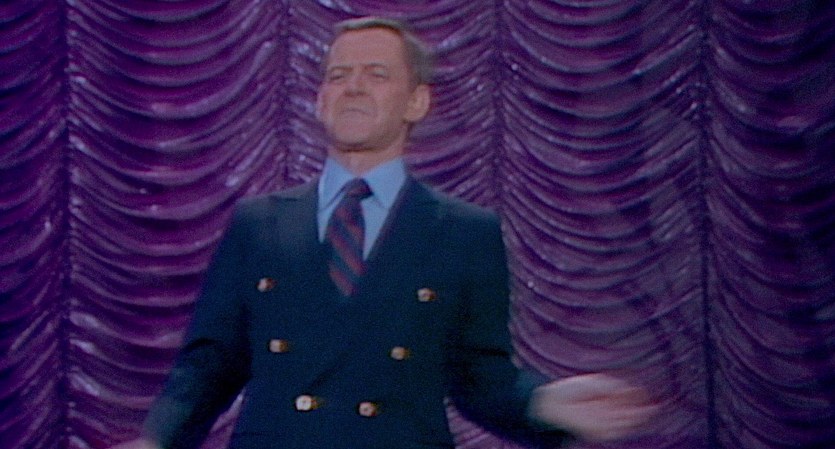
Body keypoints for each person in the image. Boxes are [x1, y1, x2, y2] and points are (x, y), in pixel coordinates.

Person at [112, 17, 657, 449]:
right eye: (338, 75)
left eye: (376, 74)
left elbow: (480, 377)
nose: (352, 87)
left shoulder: (464, 233)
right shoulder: (258, 223)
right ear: (319, 100)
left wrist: (544, 404)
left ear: (417, 101)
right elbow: (209, 364)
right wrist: (158, 440)